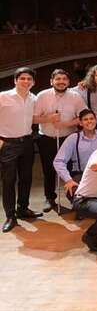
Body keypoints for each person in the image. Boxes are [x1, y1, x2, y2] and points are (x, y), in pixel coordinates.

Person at [33, 69, 86, 211]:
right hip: (47, 138)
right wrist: (48, 119)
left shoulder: (75, 97)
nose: (61, 81)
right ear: (51, 81)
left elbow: (83, 117)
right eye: (58, 79)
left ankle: (75, 198)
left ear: (68, 82)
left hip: (69, 138)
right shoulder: (42, 95)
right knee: (48, 169)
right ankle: (49, 198)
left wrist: (65, 124)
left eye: (64, 79)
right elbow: (33, 118)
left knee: (69, 169)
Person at [0, 67, 41, 232]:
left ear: (33, 82)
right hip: (8, 143)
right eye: (22, 78)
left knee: (26, 177)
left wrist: (49, 118)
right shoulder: (3, 97)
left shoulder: (33, 98)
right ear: (15, 80)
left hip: (27, 142)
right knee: (8, 181)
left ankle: (23, 209)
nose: (26, 81)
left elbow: (33, 118)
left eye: (29, 79)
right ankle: (10, 216)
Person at [53, 109, 97, 200]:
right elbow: (58, 161)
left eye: (92, 118)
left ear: (95, 121)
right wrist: (68, 179)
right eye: (85, 119)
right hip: (81, 175)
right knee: (72, 192)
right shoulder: (73, 139)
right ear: (80, 123)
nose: (89, 121)